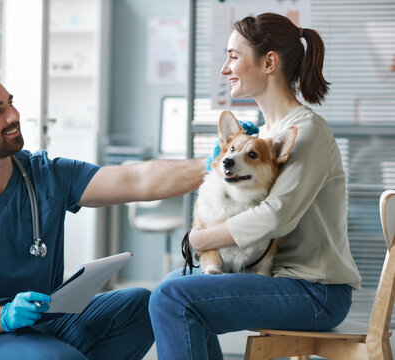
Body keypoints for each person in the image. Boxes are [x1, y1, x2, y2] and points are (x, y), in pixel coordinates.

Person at [0, 71, 207, 359]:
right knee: (56, 357)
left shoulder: (46, 173)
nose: (13, 116)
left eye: (10, 103)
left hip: (43, 322)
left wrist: (216, 164)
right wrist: (3, 317)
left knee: (141, 306)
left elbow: (136, 180)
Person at [148, 12, 362, 360]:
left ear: (269, 62)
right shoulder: (263, 137)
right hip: (278, 280)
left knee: (173, 298)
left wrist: (200, 239)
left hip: (316, 293)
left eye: (233, 57)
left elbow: (276, 216)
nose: (224, 68)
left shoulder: (305, 132)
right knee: (173, 286)